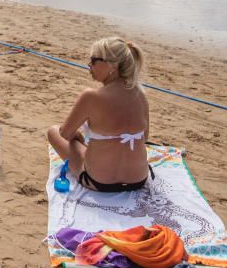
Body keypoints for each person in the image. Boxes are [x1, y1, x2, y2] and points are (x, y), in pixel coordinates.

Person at [47, 37, 150, 192]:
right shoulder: (140, 94)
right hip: (138, 180)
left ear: (112, 65)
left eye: (94, 61)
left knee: (53, 131)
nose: (89, 65)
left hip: (99, 181)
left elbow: (65, 133)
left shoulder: (91, 96)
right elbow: (145, 138)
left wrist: (76, 136)